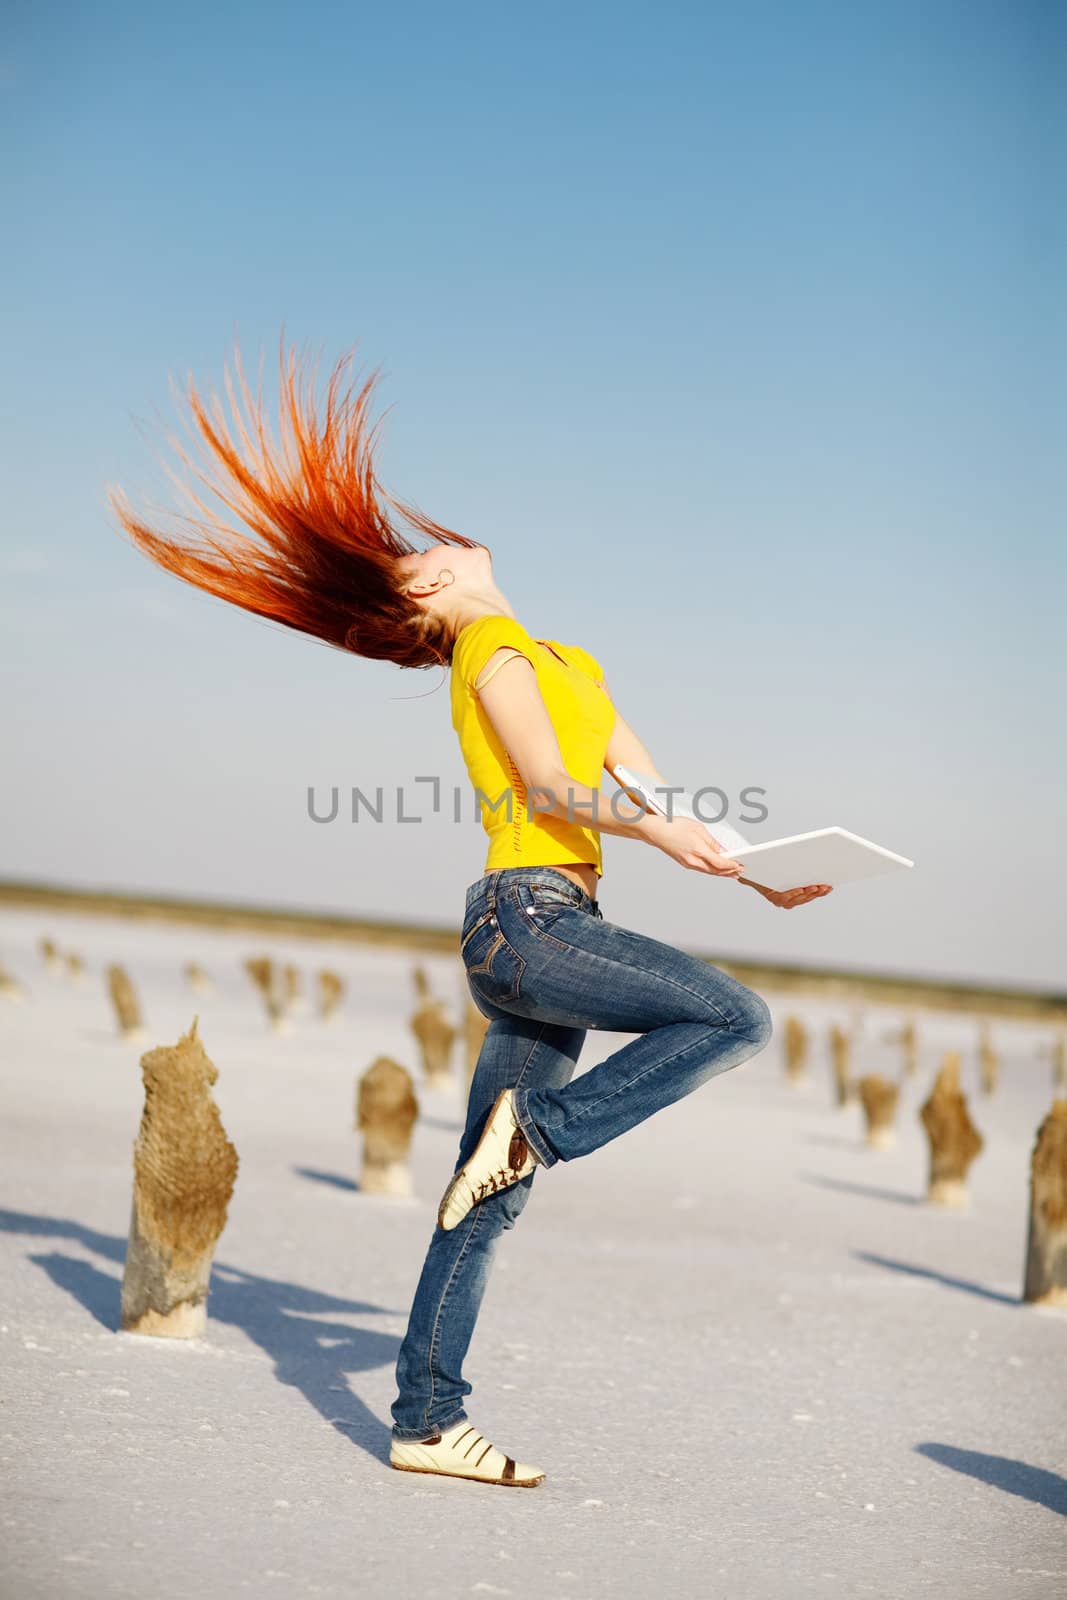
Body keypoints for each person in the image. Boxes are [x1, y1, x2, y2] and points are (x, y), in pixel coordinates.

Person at [108, 338, 831, 1491]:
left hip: (544, 929)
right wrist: (654, 836)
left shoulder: (562, 655)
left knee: (481, 1197)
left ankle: (424, 1420)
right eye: (420, 556)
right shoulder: (483, 643)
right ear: (429, 597)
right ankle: (535, 1133)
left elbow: (650, 785)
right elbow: (552, 792)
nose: (434, 544)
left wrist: (751, 870)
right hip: (528, 920)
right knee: (734, 1019)